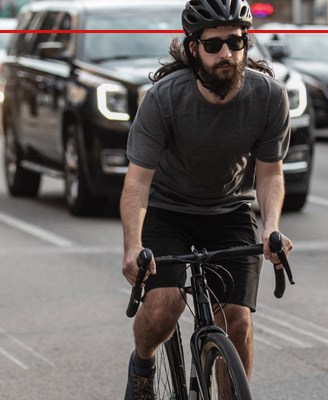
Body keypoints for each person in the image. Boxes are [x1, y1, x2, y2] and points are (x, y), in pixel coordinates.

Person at [120, 0, 294, 398]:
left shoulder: (268, 96)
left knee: (237, 320)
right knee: (164, 307)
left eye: (235, 42)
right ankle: (143, 363)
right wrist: (134, 246)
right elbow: (137, 183)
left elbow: (270, 173)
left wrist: (271, 228)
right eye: (214, 45)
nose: (226, 54)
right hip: (167, 209)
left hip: (229, 209)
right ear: (193, 48)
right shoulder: (163, 99)